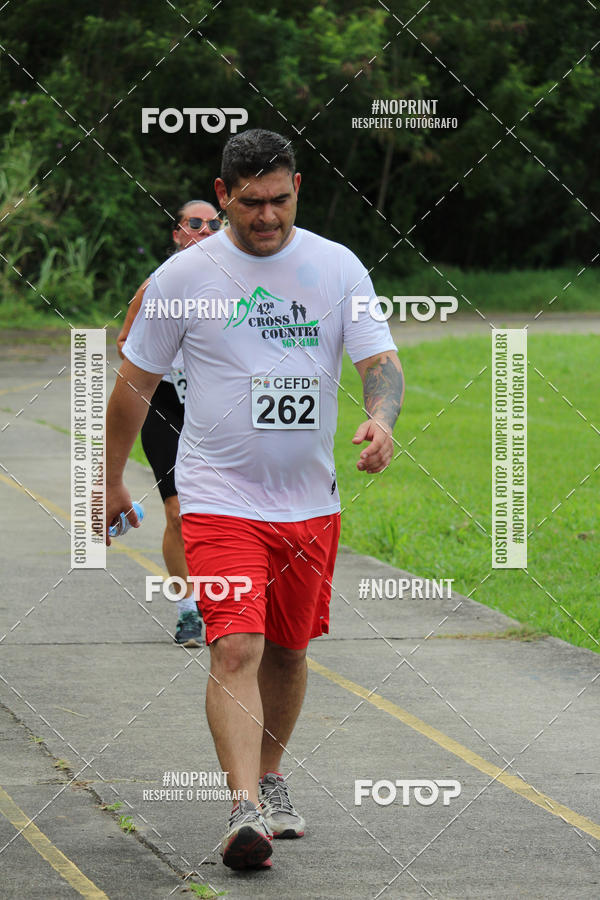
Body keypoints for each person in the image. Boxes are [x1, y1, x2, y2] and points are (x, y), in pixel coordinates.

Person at [105, 129, 404, 870]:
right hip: (218, 498)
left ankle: (271, 779)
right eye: (249, 203)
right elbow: (134, 386)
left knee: (289, 651)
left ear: (298, 187)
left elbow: (379, 360)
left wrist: (382, 418)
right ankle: (243, 811)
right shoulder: (184, 276)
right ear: (223, 195)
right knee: (237, 645)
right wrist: (109, 479)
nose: (266, 216)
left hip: (308, 504)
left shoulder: (336, 266)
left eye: (278, 200)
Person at [116, 200, 223, 647]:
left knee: (223, 515)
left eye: (214, 223)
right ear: (178, 234)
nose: (205, 229)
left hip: (215, 408)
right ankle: (188, 610)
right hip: (164, 406)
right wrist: (158, 359)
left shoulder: (236, 283)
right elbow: (125, 342)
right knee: (178, 514)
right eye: (195, 223)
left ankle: (231, 600)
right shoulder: (157, 285)